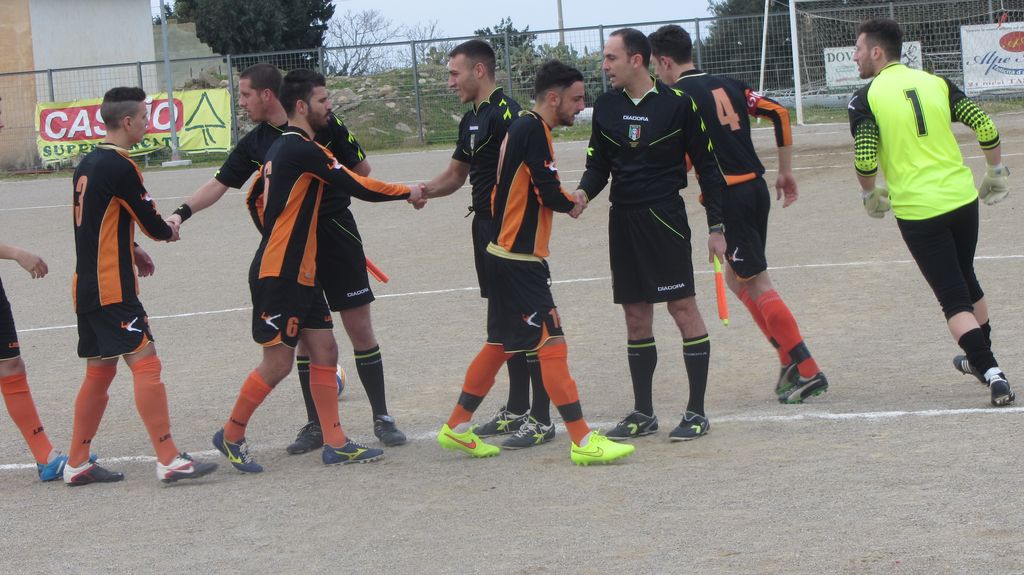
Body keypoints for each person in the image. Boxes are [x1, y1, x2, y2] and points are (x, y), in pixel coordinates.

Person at [168, 63, 409, 451]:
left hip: (336, 232)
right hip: (295, 246)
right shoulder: (260, 142)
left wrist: (331, 176)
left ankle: (382, 417)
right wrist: (181, 213)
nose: (241, 103)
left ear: (268, 95)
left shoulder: (322, 121)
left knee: (358, 326)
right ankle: (317, 426)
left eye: (245, 95)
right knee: (307, 339)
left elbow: (362, 171)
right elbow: (219, 184)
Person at [437, 60, 634, 464]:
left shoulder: (523, 126)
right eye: (577, 99)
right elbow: (547, 190)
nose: (581, 106)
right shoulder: (533, 129)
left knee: (498, 344)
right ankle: (583, 440)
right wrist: (572, 201)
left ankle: (456, 426)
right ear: (554, 98)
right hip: (519, 259)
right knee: (552, 342)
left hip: (503, 253)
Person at [649, 24, 829, 407]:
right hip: (755, 189)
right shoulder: (729, 84)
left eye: (655, 65)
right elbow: (779, 113)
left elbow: (683, 157)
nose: (656, 73)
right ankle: (787, 358)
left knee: (757, 282)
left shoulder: (677, 97)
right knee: (737, 278)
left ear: (665, 62)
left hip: (729, 195)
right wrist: (785, 170)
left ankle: (809, 369)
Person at [848, 18, 1013, 406]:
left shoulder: (864, 98)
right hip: (961, 199)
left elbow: (866, 158)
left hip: (919, 210)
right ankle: (980, 360)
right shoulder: (936, 82)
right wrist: (995, 170)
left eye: (858, 49)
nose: (854, 56)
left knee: (953, 299)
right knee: (966, 277)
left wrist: (869, 193)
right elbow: (984, 124)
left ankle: (993, 373)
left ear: (876, 52)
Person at [575, 28, 726, 441]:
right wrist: (583, 193)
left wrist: (716, 228)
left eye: (611, 58)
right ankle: (643, 412)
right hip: (623, 220)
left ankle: (696, 412)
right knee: (636, 315)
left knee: (682, 308)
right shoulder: (607, 106)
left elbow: (709, 169)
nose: (604, 66)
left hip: (664, 218)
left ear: (637, 60)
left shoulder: (678, 104)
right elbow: (598, 166)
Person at [65, 87, 218, 485]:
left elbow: (98, 221)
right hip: (112, 287)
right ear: (128, 121)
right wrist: (169, 228)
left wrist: (132, 249)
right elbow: (153, 224)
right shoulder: (120, 166)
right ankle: (169, 458)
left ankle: (77, 462)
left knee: (99, 372)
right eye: (146, 118)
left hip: (88, 284)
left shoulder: (88, 163)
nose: (149, 124)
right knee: (146, 361)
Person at [422, 40, 554, 448]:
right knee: (503, 320)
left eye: (454, 73)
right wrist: (421, 191)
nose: (450, 82)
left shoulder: (509, 115)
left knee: (529, 320)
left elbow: (533, 176)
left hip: (509, 230)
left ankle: (542, 417)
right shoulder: (472, 119)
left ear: (478, 71)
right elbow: (455, 175)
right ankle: (517, 408)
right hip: (483, 228)